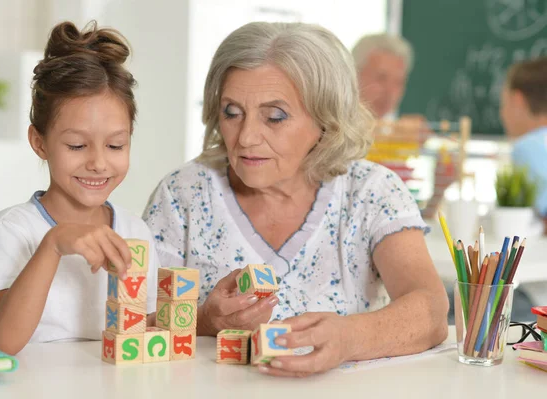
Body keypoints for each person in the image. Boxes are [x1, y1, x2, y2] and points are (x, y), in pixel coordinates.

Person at [144, 22, 449, 377]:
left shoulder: (372, 191)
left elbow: (430, 311)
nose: (246, 137)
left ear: (325, 120)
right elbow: (132, 322)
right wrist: (203, 320)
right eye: (231, 112)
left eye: (275, 117)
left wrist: (349, 337)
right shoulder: (183, 192)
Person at [0, 21, 160, 355]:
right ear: (39, 142)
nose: (99, 163)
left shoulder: (135, 231)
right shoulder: (14, 229)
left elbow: (143, 333)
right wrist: (53, 245)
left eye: (116, 145)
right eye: (77, 146)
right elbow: (5, 341)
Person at [500, 56, 547, 312]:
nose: (502, 114)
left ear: (517, 101)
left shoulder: (526, 148)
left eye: (503, 103)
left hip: (538, 294)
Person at [352, 33, 414, 120]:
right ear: (354, 75)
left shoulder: (392, 131)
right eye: (381, 78)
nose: (390, 92)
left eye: (398, 82)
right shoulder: (332, 128)